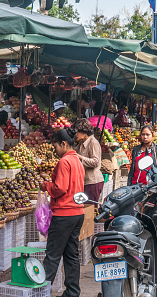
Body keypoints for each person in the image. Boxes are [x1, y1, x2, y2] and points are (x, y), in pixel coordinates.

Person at [41, 128, 85, 297]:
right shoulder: (77, 161)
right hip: (77, 213)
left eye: (55, 146)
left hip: (64, 214)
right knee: (71, 255)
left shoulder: (64, 162)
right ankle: (73, 292)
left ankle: (41, 292)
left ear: (63, 144)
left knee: (52, 255)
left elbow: (60, 188)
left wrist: (45, 186)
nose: (55, 150)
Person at [73, 119, 103, 204]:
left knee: (91, 209)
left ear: (84, 131)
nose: (76, 134)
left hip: (93, 182)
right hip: (85, 181)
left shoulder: (93, 143)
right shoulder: (81, 143)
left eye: (77, 131)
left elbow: (95, 162)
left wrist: (80, 157)